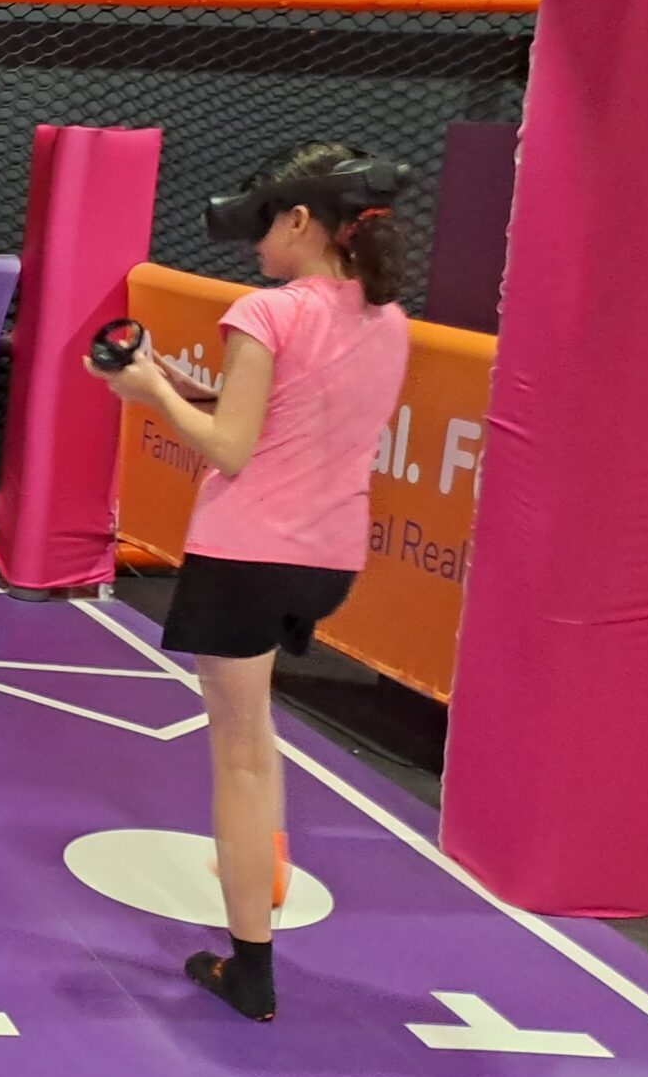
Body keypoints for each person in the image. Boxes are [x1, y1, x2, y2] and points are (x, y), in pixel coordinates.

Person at [92, 144, 410, 1021]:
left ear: (302, 221)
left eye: (267, 224)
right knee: (258, 739)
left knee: (238, 755)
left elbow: (233, 448)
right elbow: (288, 415)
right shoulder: (387, 318)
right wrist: (172, 384)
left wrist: (153, 390)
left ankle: (251, 968)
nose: (257, 244)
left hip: (245, 554)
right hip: (327, 558)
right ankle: (258, 878)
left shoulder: (266, 311)